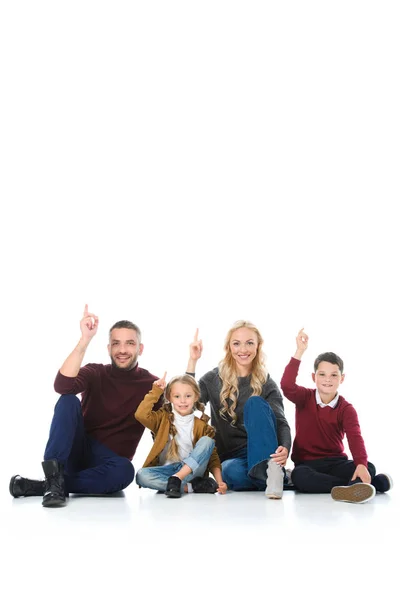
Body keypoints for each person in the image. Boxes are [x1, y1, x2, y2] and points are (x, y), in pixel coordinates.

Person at [9, 305, 159, 508]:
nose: (122, 350)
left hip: (109, 464)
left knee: (125, 472)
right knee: (68, 399)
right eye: (116, 344)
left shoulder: (152, 386)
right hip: (76, 451)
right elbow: (62, 385)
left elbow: (166, 427)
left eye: (130, 343)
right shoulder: (96, 372)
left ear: (140, 348)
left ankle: (48, 486)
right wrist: (85, 339)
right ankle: (54, 477)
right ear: (109, 348)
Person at [280, 328, 393, 503]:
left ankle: (359, 483)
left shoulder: (346, 409)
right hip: (307, 464)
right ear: (313, 377)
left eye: (334, 375)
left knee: (368, 466)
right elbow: (286, 385)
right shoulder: (304, 397)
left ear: (342, 378)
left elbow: (355, 438)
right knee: (300, 477)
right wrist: (299, 352)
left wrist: (361, 464)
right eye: (322, 374)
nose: (328, 379)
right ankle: (360, 486)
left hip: (336, 463)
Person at [187, 323, 291, 499]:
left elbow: (281, 422)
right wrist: (193, 361)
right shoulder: (213, 378)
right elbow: (187, 403)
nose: (243, 349)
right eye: (236, 343)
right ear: (228, 347)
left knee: (255, 403)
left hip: (262, 452)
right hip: (232, 457)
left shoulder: (266, 382)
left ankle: (271, 472)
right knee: (229, 470)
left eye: (250, 343)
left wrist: (285, 448)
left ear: (258, 346)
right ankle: (276, 479)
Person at [135, 373, 227, 497]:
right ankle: (188, 487)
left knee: (207, 441)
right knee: (141, 476)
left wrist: (220, 482)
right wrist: (156, 391)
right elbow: (140, 415)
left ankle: (177, 479)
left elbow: (213, 457)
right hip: (167, 472)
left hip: (192, 471)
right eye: (177, 396)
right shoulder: (162, 419)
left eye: (188, 396)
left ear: (196, 397)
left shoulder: (202, 426)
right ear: (169, 398)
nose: (183, 401)